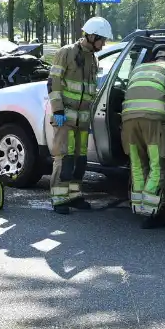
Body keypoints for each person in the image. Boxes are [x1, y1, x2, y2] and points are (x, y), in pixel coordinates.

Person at [47, 16, 111, 214]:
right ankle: (59, 199)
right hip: (64, 117)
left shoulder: (93, 58)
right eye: (102, 40)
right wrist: (57, 110)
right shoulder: (65, 53)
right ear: (91, 36)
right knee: (63, 157)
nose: (104, 44)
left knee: (79, 159)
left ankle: (74, 195)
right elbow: (53, 81)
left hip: (82, 120)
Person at [121, 51, 165, 228]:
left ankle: (138, 208)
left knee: (137, 164)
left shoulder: (139, 68)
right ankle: (153, 212)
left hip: (129, 121)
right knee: (157, 165)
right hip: (154, 121)